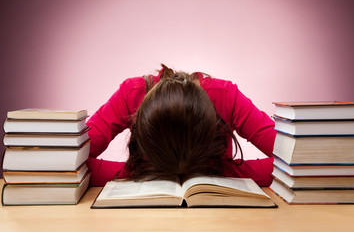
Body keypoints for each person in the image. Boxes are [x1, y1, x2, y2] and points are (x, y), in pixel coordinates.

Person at [86, 64, 277, 187]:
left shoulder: (225, 95)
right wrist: (141, 172)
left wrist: (218, 171)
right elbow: (69, 164)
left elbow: (294, 165)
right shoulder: (132, 93)